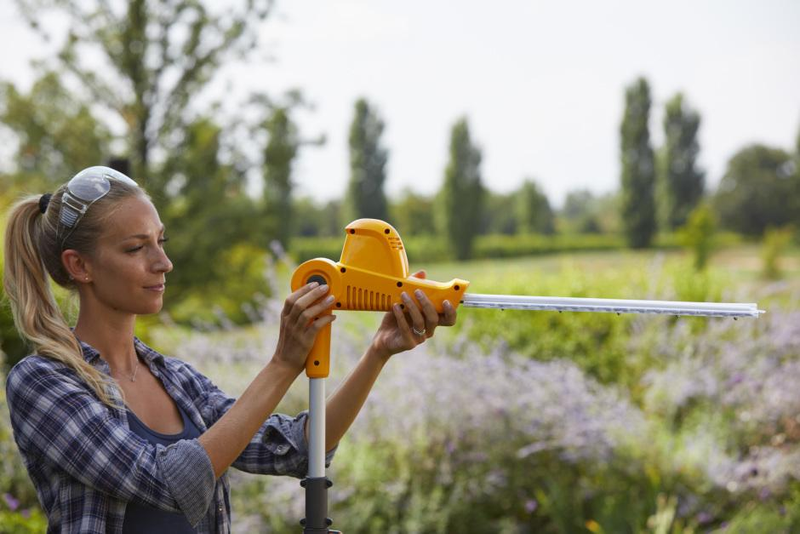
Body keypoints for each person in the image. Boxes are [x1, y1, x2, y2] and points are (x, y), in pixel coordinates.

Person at [2, 166, 457, 533]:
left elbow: (296, 449)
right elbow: (167, 482)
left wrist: (378, 351)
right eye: (136, 248)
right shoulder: (43, 382)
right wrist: (282, 364)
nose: (163, 262)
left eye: (161, 241)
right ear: (79, 265)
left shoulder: (175, 381)